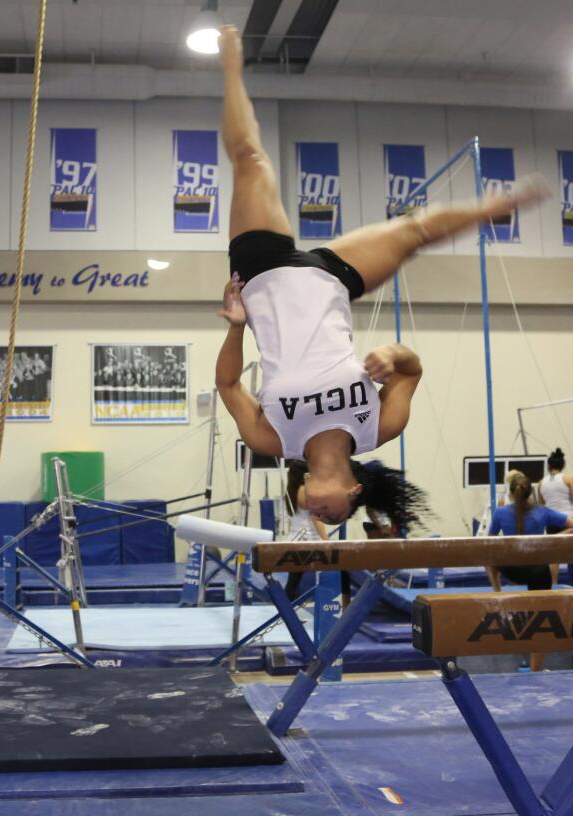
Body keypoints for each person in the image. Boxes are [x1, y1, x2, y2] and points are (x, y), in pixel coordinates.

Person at [213, 24, 547, 526]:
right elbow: (413, 370)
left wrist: (238, 325)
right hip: (328, 283)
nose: (321, 516)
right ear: (355, 488)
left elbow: (228, 386)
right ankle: (492, 209)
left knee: (250, 160)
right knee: (414, 233)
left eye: (315, 514)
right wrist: (392, 354)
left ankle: (230, 64)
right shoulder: (380, 427)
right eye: (337, 514)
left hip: (264, 282)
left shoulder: (273, 439)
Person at [282, 459, 424, 609]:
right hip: (310, 542)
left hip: (297, 539)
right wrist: (326, 541)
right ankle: (342, 606)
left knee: (294, 582)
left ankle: (286, 610)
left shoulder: (291, 493)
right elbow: (315, 518)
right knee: (339, 572)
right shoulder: (305, 490)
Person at [487, 470, 573, 671]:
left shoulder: (500, 512)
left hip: (511, 569)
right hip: (538, 572)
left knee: (489, 555)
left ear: (511, 494)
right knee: (539, 619)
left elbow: (488, 542)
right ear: (530, 493)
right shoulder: (542, 512)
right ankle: (534, 669)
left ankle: (497, 592)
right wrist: (551, 540)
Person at [537, 447, 573, 584]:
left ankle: (553, 584)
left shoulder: (541, 483)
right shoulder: (568, 479)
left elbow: (541, 507)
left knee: (554, 557)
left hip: (551, 521)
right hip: (569, 519)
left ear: (549, 466)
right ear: (562, 465)